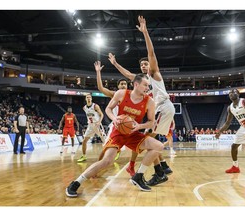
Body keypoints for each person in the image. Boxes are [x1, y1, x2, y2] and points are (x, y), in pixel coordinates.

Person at [65, 74, 165, 197]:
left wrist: (139, 126)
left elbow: (151, 122)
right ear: (136, 84)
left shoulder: (149, 102)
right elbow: (108, 109)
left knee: (158, 146)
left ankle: (138, 176)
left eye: (148, 85)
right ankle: (76, 183)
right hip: (118, 132)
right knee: (106, 161)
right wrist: (115, 119)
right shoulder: (121, 94)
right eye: (145, 85)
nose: (147, 87)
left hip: (133, 133)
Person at [108, 15, 175, 186]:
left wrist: (145, 33)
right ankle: (162, 169)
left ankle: (148, 171)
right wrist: (115, 64)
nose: (145, 66)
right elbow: (129, 75)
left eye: (146, 64)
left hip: (164, 107)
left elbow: (151, 53)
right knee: (149, 140)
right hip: (162, 109)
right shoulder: (141, 82)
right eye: (142, 65)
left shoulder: (154, 74)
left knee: (145, 139)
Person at [94, 60, 129, 161]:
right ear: (118, 86)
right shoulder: (114, 94)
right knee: (106, 147)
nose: (123, 85)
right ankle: (97, 166)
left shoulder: (131, 95)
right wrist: (98, 72)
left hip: (127, 125)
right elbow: (101, 88)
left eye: (125, 84)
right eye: (121, 84)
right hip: (116, 124)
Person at [77, 93, 106, 162]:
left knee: (105, 141)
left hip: (97, 124)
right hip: (90, 125)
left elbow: (102, 114)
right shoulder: (84, 108)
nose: (89, 98)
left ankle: (108, 155)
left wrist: (99, 122)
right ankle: (84, 156)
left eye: (90, 97)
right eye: (87, 97)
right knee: (84, 141)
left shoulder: (95, 106)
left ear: (91, 98)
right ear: (85, 99)